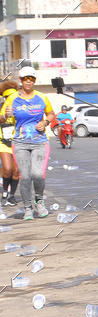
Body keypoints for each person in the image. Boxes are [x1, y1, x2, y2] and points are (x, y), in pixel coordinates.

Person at [0, 67, 54, 221]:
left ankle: (39, 201)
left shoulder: (42, 97)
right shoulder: (12, 99)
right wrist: (6, 115)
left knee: (37, 175)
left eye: (31, 78)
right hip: (20, 143)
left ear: (34, 81)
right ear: (21, 81)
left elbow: (50, 113)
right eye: (25, 78)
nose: (28, 81)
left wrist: (45, 122)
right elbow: (1, 118)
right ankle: (27, 208)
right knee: (24, 177)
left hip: (40, 142)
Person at [0, 78, 20, 206]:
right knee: (7, 169)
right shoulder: (2, 105)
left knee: (16, 171)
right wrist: (6, 116)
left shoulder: (21, 104)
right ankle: (4, 194)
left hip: (19, 141)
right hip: (3, 142)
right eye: (7, 96)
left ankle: (12, 195)